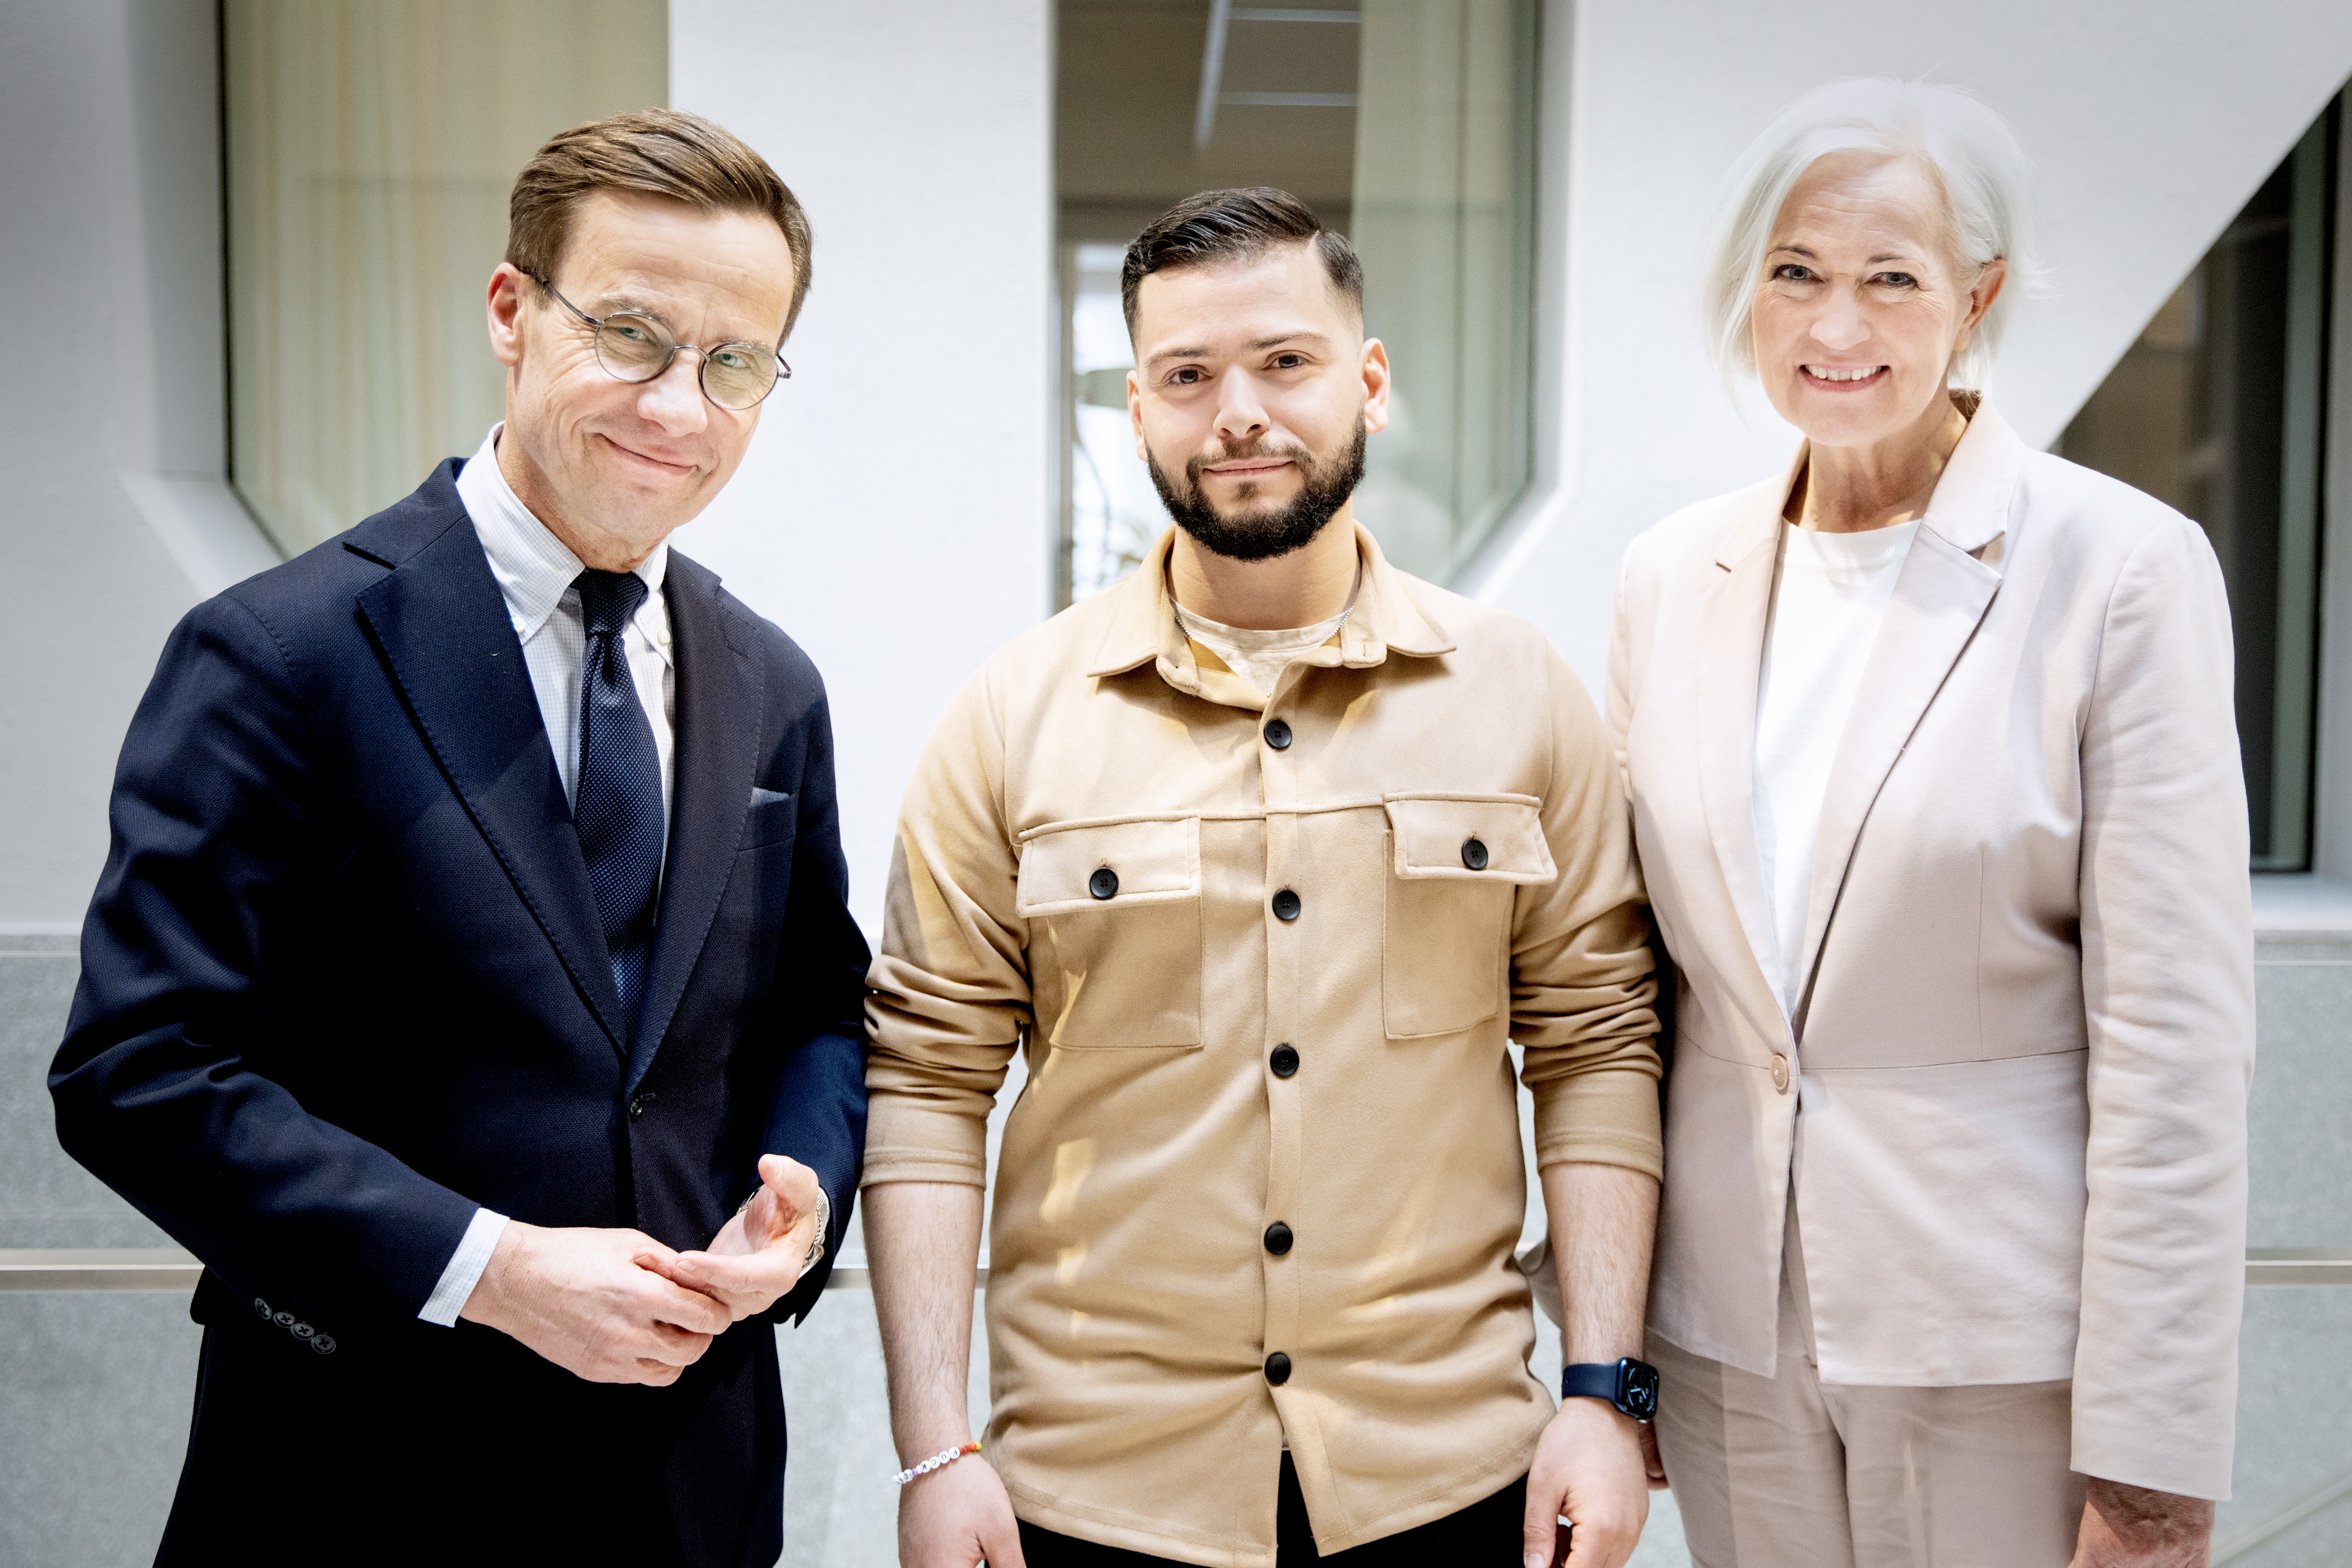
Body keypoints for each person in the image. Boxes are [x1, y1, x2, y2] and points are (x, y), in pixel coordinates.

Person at [50, 109, 868, 1567]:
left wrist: (800, 1197)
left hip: (695, 1484)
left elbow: (814, 1006)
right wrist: (488, 1270)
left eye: (732, 363)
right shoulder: (279, 652)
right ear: (512, 311)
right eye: (629, 332)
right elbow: (138, 1073)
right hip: (359, 1474)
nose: (678, 407)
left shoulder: (771, 682)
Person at [862, 187, 1668, 1568]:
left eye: (1284, 362)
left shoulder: (1521, 695)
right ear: (1137, 407)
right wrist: (936, 1449)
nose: (1237, 409)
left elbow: (1595, 1044)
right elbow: (928, 1084)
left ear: (1368, 381)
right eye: (1187, 375)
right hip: (1099, 1486)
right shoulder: (1013, 715)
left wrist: (1604, 1391)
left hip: (1448, 1470)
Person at [1610, 79, 2253, 1567]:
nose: (1838, 327)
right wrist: (1614, 1344)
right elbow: (1647, 994)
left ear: (1976, 297)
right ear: (1747, 296)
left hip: (1999, 1352)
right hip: (1728, 1348)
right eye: (1796, 275)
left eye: (1889, 278)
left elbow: (2173, 1039)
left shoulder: (2122, 570)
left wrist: (2152, 1461)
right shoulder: (1668, 575)